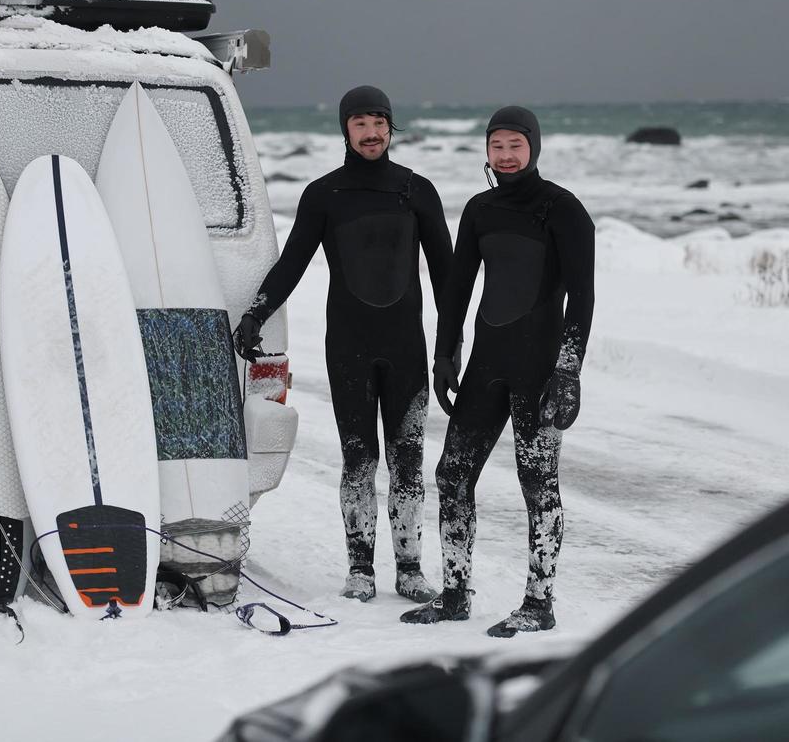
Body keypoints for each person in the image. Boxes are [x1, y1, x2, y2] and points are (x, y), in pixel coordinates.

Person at [233, 86, 453, 602]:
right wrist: (257, 311)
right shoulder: (324, 195)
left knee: (408, 459)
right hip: (348, 347)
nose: (371, 133)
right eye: (360, 124)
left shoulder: (417, 191)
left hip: (407, 349)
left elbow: (449, 278)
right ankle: (360, 568)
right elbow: (293, 262)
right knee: (358, 459)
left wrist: (449, 349)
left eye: (379, 122)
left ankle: (410, 567)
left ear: (391, 127)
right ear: (345, 129)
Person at [401, 105, 594, 637]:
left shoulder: (563, 209)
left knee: (539, 484)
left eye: (515, 144)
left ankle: (539, 601)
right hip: (487, 366)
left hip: (540, 371)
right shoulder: (480, 210)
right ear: (486, 150)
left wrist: (568, 369)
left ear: (533, 146)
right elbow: (457, 291)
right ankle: (456, 593)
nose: (506, 155)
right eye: (497, 146)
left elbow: (582, 298)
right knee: (452, 476)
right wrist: (445, 354)